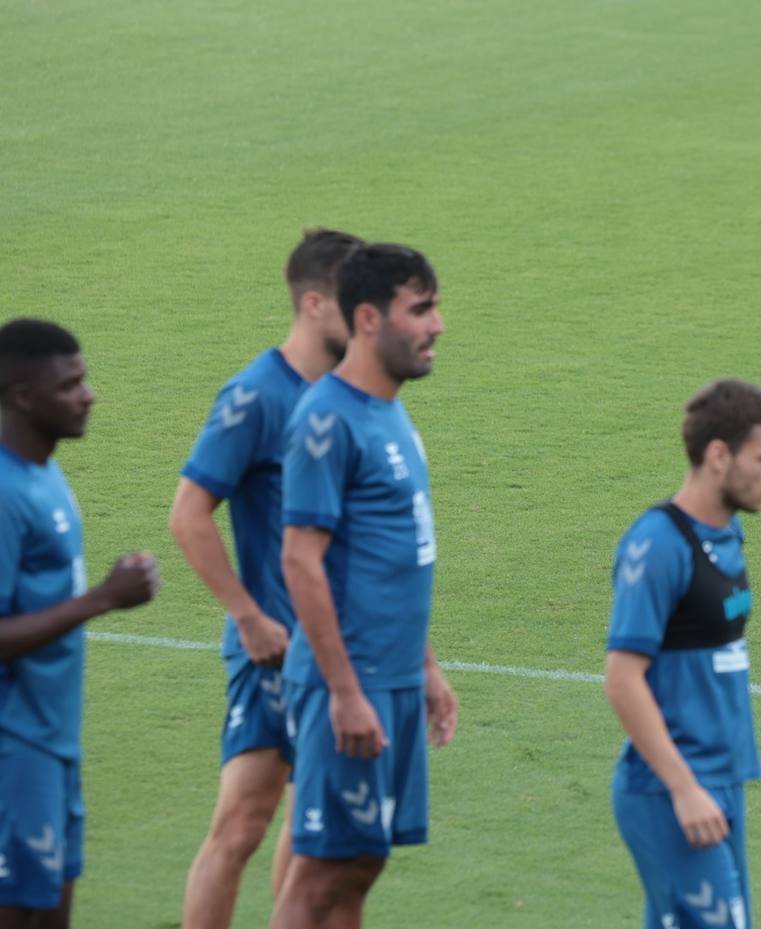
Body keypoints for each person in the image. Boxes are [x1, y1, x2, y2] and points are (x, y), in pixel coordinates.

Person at [173, 229, 363, 929]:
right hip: (277, 647)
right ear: (315, 303)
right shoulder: (255, 396)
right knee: (244, 824)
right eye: (357, 301)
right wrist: (248, 615)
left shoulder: (351, 396)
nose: (371, 316)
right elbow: (189, 515)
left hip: (338, 648)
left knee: (314, 833)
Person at [268, 243, 458, 929]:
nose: (437, 325)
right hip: (348, 683)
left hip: (395, 675)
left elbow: (396, 557)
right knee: (319, 877)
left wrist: (427, 665)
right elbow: (300, 560)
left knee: (358, 866)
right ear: (370, 319)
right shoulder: (328, 418)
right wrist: (345, 692)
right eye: (422, 309)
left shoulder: (392, 414)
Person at [605, 379, 761, 929]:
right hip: (671, 790)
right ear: (718, 456)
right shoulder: (657, 545)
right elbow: (622, 679)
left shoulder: (728, 533)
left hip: (722, 779)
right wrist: (683, 789)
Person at [0, 319, 160, 929]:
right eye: (70, 385)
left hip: (53, 742)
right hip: (14, 747)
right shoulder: (6, 493)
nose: (88, 394)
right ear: (22, 396)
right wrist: (102, 600)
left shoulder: (45, 472)